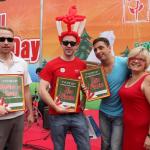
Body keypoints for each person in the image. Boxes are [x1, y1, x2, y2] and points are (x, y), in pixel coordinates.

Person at [39, 6, 90, 150]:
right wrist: (55, 106)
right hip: (57, 114)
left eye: (72, 43)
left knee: (85, 146)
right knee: (58, 147)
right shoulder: (51, 64)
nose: (68, 45)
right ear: (61, 43)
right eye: (66, 42)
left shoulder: (82, 65)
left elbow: (86, 89)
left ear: (77, 46)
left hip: (77, 114)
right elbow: (42, 89)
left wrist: (86, 94)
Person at [0, 27, 34, 150]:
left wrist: (30, 112)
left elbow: (26, 89)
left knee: (16, 147)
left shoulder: (22, 63)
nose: (5, 42)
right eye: (1, 39)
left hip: (18, 116)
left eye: (9, 39)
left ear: (13, 43)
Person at [93, 37, 129, 150]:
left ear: (109, 48)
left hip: (120, 115)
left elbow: (142, 70)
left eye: (101, 48)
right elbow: (94, 93)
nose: (98, 52)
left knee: (115, 147)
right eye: (95, 50)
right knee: (105, 144)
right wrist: (88, 90)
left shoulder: (124, 63)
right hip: (103, 112)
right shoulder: (96, 71)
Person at [119, 46, 150, 150]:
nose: (136, 61)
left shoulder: (147, 79)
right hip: (128, 129)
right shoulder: (129, 79)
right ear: (128, 61)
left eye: (141, 59)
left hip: (142, 131)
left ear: (146, 63)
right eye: (133, 58)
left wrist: (149, 136)